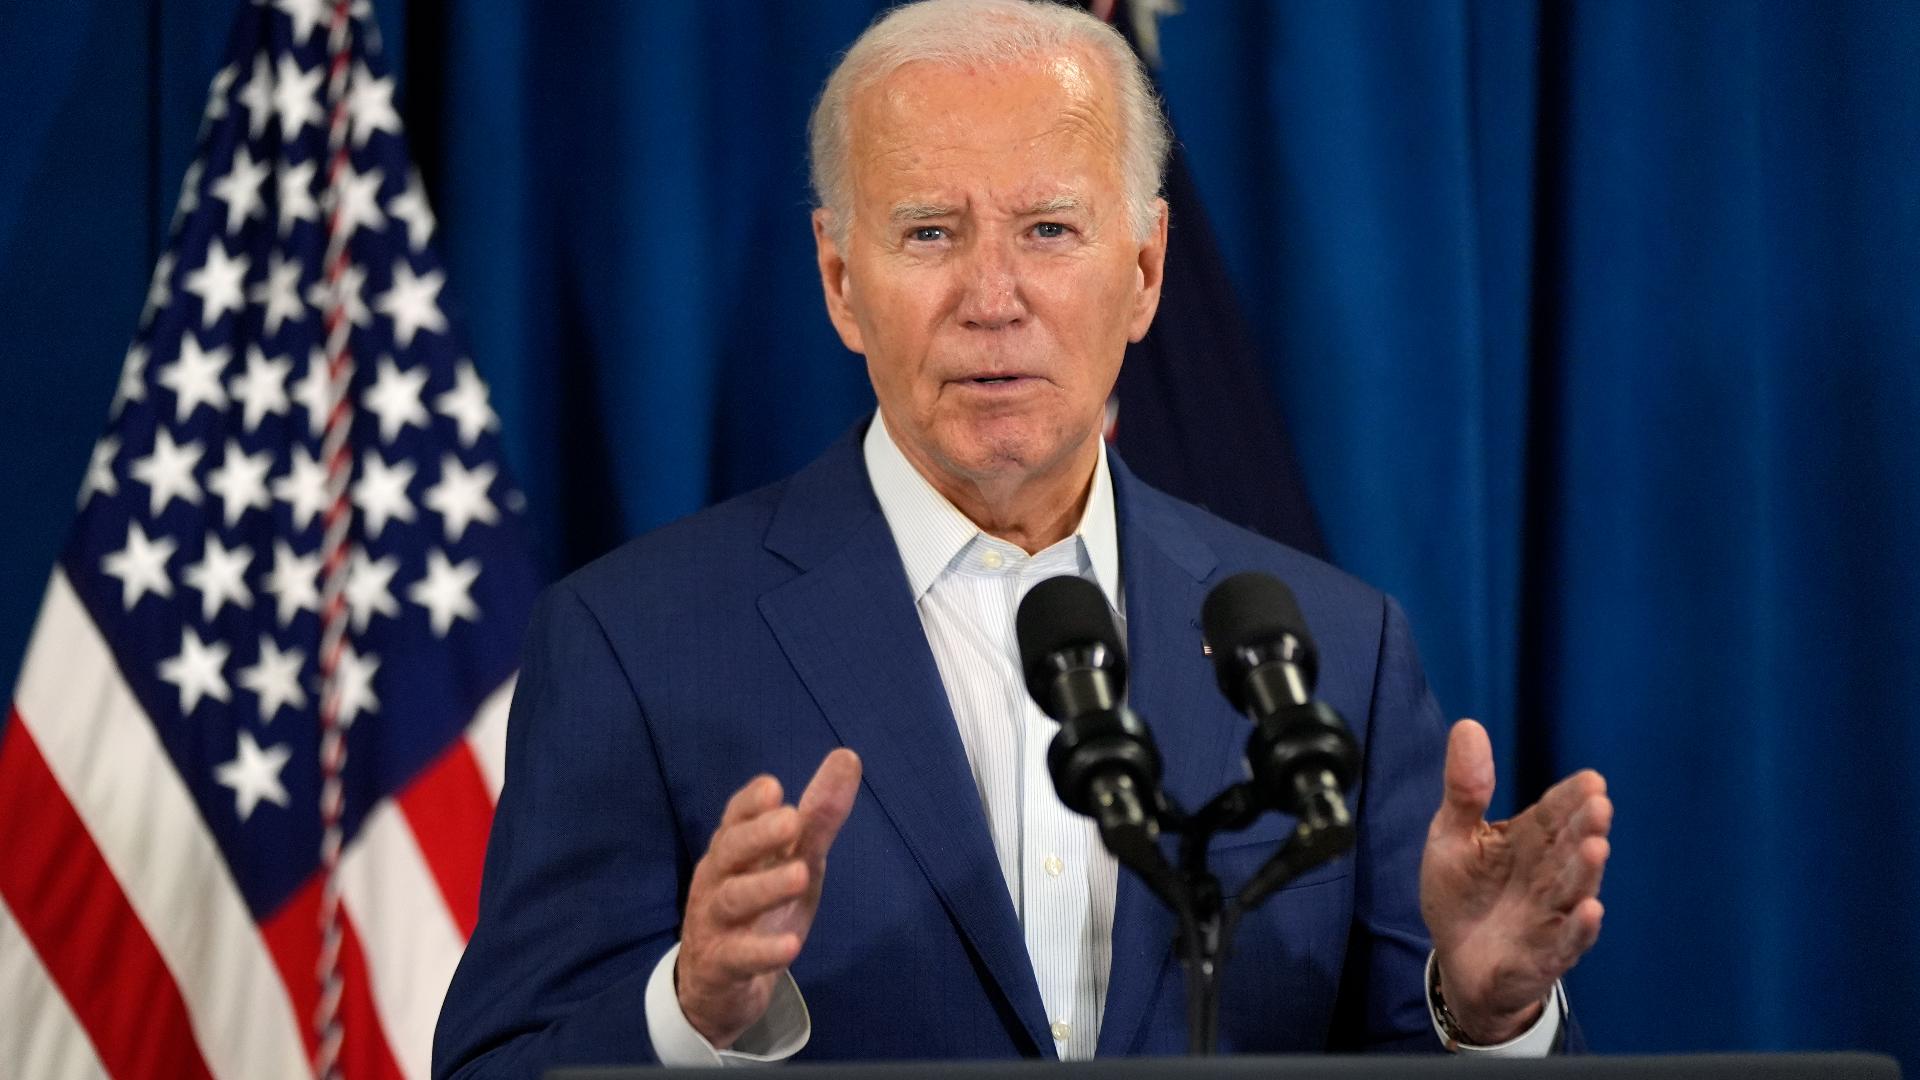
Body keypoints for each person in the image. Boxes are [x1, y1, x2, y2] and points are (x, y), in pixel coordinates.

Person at [432, 0, 1612, 1073]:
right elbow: (498, 1063)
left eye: (1049, 229)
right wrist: (687, 1009)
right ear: (841, 278)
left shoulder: (1332, 651)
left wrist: (1488, 1014)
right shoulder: (637, 641)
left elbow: (1395, 1044)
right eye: (930, 234)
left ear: (1145, 269)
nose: (993, 296)